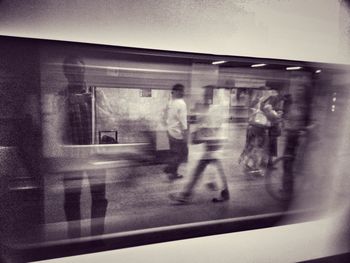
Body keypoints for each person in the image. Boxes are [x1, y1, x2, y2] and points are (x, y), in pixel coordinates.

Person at [60, 55, 108, 237]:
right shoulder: (61, 95)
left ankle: (96, 238)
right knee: (71, 199)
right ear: (66, 73)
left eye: (79, 69)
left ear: (83, 71)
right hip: (70, 156)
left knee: (99, 197)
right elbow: (54, 124)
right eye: (71, 70)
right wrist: (67, 104)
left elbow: (110, 118)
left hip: (95, 155)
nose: (76, 73)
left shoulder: (97, 93)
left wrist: (92, 103)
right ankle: (74, 239)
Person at [169, 85, 230, 204]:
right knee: (208, 169)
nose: (204, 96)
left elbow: (214, 126)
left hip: (214, 144)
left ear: (212, 95)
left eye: (207, 94)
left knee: (201, 169)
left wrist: (201, 130)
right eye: (205, 94)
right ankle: (186, 195)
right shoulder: (212, 108)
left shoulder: (217, 108)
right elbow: (207, 123)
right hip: (212, 144)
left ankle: (185, 195)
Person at [239, 86, 281, 176]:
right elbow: (270, 116)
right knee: (258, 149)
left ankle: (248, 163)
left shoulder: (259, 100)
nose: (271, 93)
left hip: (252, 127)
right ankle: (254, 168)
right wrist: (275, 116)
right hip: (258, 129)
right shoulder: (264, 102)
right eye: (270, 91)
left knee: (253, 147)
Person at [163, 84, 189, 180]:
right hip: (178, 133)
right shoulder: (181, 103)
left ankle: (170, 168)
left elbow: (166, 116)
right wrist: (185, 133)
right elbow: (183, 120)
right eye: (182, 90)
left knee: (174, 153)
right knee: (181, 154)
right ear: (177, 91)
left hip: (170, 132)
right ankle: (172, 172)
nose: (183, 92)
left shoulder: (171, 102)